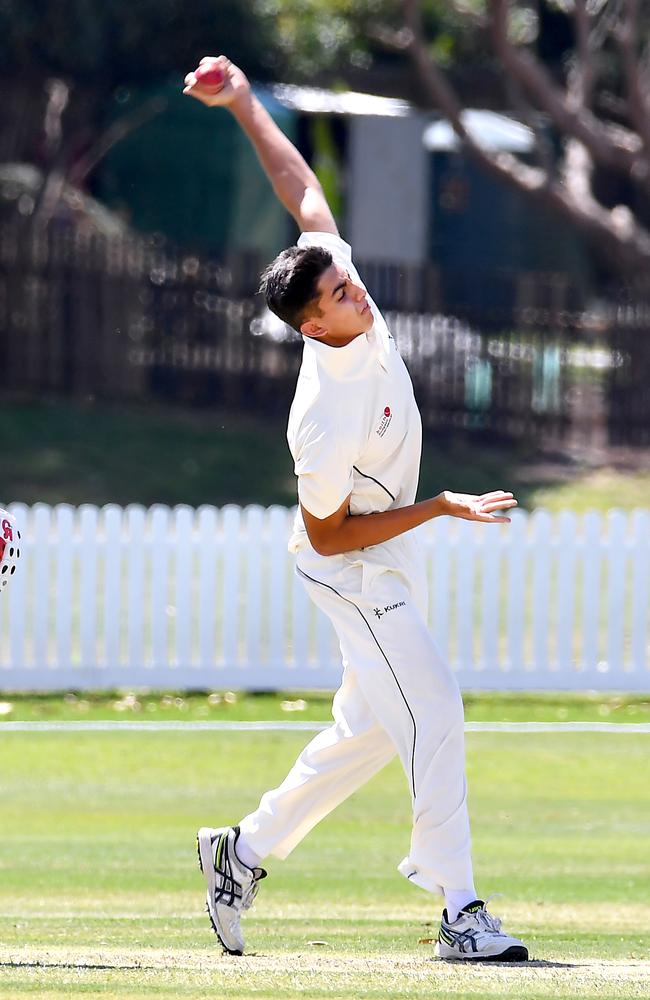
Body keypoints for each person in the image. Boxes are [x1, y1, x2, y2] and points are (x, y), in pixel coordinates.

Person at [183, 55, 528, 963]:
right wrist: (441, 507)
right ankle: (461, 910)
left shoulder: (336, 276)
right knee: (436, 710)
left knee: (371, 731)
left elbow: (302, 191)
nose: (356, 289)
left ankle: (242, 852)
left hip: (387, 555)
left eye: (345, 279)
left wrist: (244, 102)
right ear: (310, 325)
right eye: (338, 295)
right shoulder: (320, 418)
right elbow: (329, 533)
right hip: (352, 569)